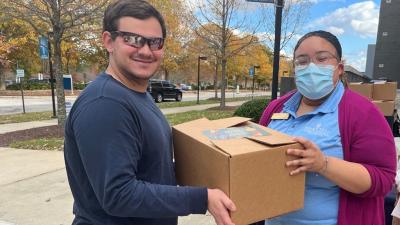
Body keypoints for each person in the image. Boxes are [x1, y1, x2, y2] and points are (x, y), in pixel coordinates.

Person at [63, 1, 236, 225]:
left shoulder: (137, 95)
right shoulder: (105, 103)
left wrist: (215, 171)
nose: (145, 50)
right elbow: (118, 194)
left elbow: (153, 170)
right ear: (109, 41)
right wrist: (202, 199)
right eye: (133, 39)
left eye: (155, 42)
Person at [257, 30, 396, 225]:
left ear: (339, 68)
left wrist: (322, 164)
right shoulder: (277, 107)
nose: (311, 67)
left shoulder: (363, 113)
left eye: (322, 59)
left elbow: (383, 180)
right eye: (302, 61)